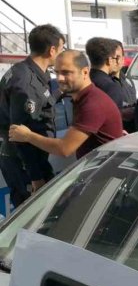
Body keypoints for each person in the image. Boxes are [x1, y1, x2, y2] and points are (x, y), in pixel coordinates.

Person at [9, 50, 123, 159]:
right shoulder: (82, 98)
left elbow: (64, 149)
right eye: (56, 72)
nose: (59, 78)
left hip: (102, 174)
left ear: (85, 72)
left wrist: (28, 136)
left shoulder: (93, 104)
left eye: (66, 73)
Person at [0, 24, 65, 206]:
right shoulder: (26, 83)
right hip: (24, 163)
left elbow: (42, 103)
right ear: (52, 50)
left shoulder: (27, 71)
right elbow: (19, 135)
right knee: (31, 214)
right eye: (61, 49)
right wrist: (36, 177)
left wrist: (60, 92)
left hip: (32, 158)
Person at [85, 37, 136, 132]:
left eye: (119, 57)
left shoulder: (84, 80)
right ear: (109, 60)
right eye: (115, 57)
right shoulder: (110, 87)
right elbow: (112, 122)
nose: (117, 61)